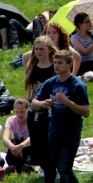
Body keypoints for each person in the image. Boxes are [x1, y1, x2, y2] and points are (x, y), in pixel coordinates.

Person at [32, 50, 90, 183]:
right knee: (62, 168)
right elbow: (34, 103)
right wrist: (43, 103)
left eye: (60, 63)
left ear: (69, 64)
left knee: (64, 167)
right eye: (55, 62)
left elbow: (86, 112)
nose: (56, 65)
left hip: (71, 131)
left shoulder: (78, 86)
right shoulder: (51, 83)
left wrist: (67, 102)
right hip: (54, 131)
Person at [24, 36, 56, 182]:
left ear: (50, 50)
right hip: (33, 112)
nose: (38, 52)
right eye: (36, 49)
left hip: (50, 112)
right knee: (37, 150)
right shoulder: (32, 66)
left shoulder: (56, 67)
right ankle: (48, 170)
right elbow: (30, 89)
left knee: (48, 148)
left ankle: (51, 175)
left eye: (42, 49)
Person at [2, 98, 31, 174]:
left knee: (24, 139)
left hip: (28, 147)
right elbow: (5, 138)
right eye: (17, 112)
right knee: (14, 140)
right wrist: (13, 147)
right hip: (16, 148)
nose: (19, 114)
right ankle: (13, 166)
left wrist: (21, 146)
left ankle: (26, 165)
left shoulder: (31, 120)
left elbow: (33, 138)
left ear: (27, 110)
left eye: (22, 112)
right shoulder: (11, 120)